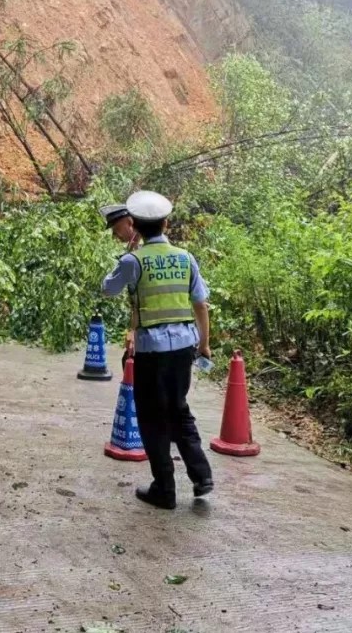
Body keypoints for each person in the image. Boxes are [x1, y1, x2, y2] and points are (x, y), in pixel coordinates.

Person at [101, 190, 214, 509]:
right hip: (183, 349)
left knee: (151, 418)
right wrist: (204, 345)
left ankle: (164, 489)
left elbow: (108, 288)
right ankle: (202, 475)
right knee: (178, 409)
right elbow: (201, 304)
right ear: (166, 223)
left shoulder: (132, 260)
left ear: (134, 224)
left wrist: (127, 255)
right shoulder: (185, 258)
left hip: (151, 352)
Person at [99, 203, 140, 366]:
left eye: (116, 229)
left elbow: (108, 288)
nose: (115, 236)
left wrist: (126, 257)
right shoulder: (176, 254)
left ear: (130, 222)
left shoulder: (134, 257)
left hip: (149, 339)